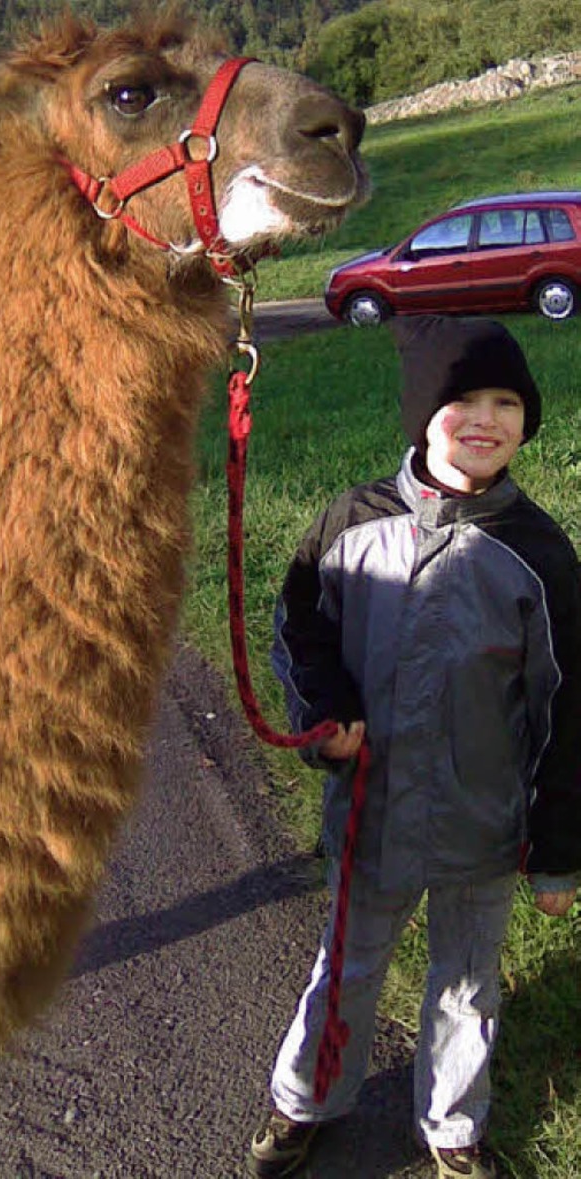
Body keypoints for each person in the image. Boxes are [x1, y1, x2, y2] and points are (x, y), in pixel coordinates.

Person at [247, 315, 581, 1179]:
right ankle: (306, 1101)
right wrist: (325, 711)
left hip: (484, 820)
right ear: (420, 412)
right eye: (461, 398)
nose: (485, 417)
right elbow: (301, 630)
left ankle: (453, 1125)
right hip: (374, 811)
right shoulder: (352, 523)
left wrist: (557, 851)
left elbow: (567, 708)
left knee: (468, 983)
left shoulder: (537, 554)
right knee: (347, 965)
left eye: (506, 401)